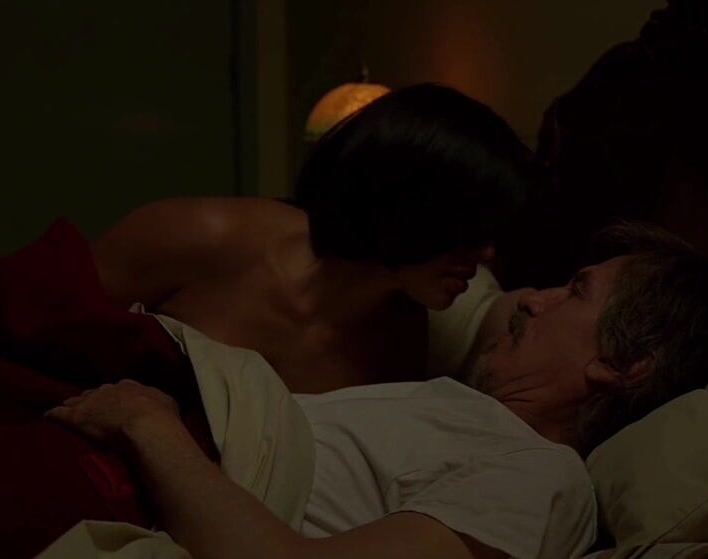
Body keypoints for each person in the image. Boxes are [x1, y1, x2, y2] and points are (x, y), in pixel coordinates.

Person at [49, 222, 708, 559]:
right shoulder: (459, 409)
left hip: (127, 476)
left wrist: (149, 424)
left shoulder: (541, 475)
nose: (533, 298)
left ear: (624, 364)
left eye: (575, 292)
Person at [91, 83, 533, 393]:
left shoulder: (399, 340)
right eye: (471, 228)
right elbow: (56, 327)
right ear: (411, 203)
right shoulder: (205, 235)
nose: (486, 253)